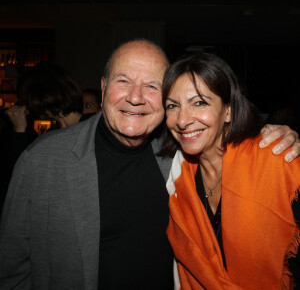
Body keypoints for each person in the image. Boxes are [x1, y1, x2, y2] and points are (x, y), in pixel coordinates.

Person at [0, 40, 299, 290]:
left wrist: (277, 134)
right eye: (123, 81)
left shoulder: (177, 156)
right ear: (103, 88)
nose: (135, 97)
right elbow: (12, 270)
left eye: (152, 86)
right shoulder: (43, 161)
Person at [161, 53, 300, 289]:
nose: (182, 120)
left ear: (228, 111)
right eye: (173, 106)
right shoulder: (178, 175)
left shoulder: (276, 161)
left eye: (199, 102)